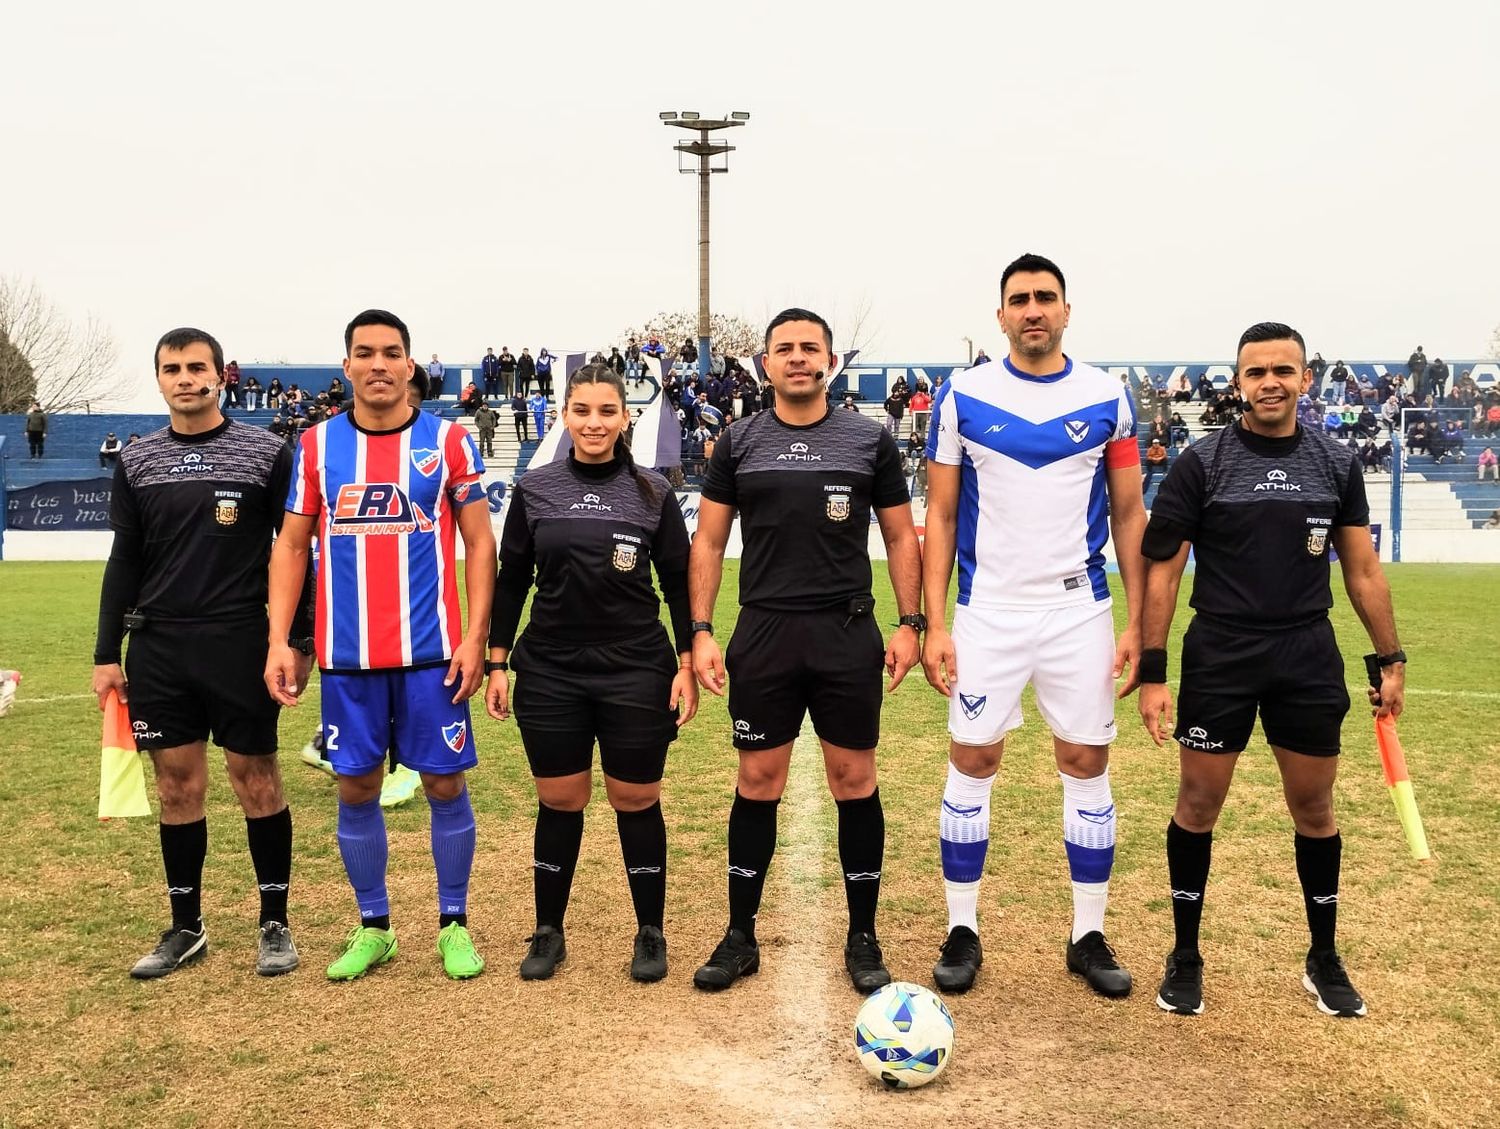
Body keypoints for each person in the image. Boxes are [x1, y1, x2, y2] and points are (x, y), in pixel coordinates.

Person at [1138, 321, 1406, 1020]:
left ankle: (1323, 957)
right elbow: (1162, 573)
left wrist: (1390, 657)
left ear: (1305, 378)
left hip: (1305, 653)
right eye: (1255, 372)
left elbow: (1363, 568)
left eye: (1282, 370)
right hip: (1221, 650)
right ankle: (1186, 954)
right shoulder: (1204, 462)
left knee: (1315, 808)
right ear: (1237, 381)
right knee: (1197, 804)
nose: (1269, 383)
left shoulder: (1336, 462)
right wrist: (1155, 669)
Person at [920, 253, 1146, 999]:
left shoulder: (1108, 395)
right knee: (973, 759)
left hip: (1078, 610)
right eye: (1019, 299)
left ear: (1067, 311)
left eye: (1046, 297)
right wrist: (934, 621)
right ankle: (963, 929)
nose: (1033, 310)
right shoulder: (963, 394)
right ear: (1001, 316)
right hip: (988, 611)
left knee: (1085, 760)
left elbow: (1128, 513)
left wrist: (1136, 622)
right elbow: (943, 514)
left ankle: (1087, 934)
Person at [688, 308, 922, 995]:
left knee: (855, 780)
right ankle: (739, 935)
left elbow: (903, 537)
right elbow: (706, 541)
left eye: (809, 347)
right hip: (764, 631)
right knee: (757, 782)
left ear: (828, 361)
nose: (797, 357)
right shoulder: (737, 441)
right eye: (784, 348)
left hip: (846, 630)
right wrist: (701, 630)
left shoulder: (867, 438)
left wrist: (910, 621)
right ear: (765, 363)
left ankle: (863, 934)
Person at [265, 309, 496, 982]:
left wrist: (475, 638)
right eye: (364, 353)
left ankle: (454, 923)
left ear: (408, 364)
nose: (377, 364)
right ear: (347, 367)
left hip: (432, 655)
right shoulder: (314, 448)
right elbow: (289, 546)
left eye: (390, 353)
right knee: (356, 786)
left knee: (444, 782)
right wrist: (281, 639)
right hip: (347, 658)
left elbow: (481, 543)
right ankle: (375, 927)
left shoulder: (451, 443)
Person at [91, 327, 313, 979]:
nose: (185, 378)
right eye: (172, 368)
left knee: (257, 779)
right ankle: (186, 926)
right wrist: (109, 651)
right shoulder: (137, 461)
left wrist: (296, 640)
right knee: (176, 785)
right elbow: (124, 558)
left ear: (221, 375)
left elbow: (296, 550)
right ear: (158, 379)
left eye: (196, 367)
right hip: (159, 645)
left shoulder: (265, 454)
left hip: (240, 640)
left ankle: (275, 922)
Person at [484, 363, 697, 982]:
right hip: (551, 669)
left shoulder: (654, 491)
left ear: (624, 417)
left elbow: (680, 586)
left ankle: (650, 932)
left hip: (636, 667)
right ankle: (549, 930)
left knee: (636, 798)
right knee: (560, 799)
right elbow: (511, 579)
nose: (594, 422)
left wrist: (686, 662)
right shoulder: (536, 488)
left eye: (607, 411)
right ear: (565, 416)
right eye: (582, 411)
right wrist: (499, 662)